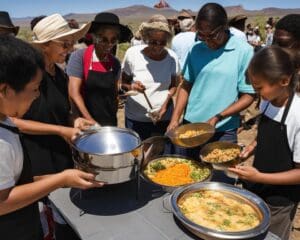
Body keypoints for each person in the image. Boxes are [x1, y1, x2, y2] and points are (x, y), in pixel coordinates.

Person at [0, 35, 103, 240]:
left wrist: (58, 178)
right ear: (4, 90)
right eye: (35, 89)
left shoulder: (6, 122)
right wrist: (60, 179)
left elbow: (12, 183)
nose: (37, 96)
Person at [168, 3, 255, 162]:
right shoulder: (196, 49)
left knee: (220, 181)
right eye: (202, 35)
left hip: (223, 131)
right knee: (191, 175)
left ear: (224, 27)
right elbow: (186, 85)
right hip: (192, 127)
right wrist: (175, 119)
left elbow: (248, 95)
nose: (207, 41)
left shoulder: (244, 51)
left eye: (212, 35)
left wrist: (218, 117)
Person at [229, 46, 300, 240]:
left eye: (259, 88)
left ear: (284, 81)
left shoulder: (297, 115)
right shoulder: (268, 100)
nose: (256, 93)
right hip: (258, 186)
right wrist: (251, 148)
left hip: (280, 200)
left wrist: (259, 176)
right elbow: (266, 134)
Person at [67, 12, 133, 126]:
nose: (109, 45)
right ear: (94, 37)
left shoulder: (115, 63)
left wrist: (129, 88)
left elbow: (115, 90)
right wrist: (90, 121)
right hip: (85, 122)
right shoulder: (79, 57)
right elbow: (73, 92)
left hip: (109, 119)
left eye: (113, 40)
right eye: (103, 39)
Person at [121, 21, 180, 141]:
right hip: (136, 118)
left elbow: (174, 86)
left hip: (164, 117)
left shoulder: (172, 57)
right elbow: (123, 83)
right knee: (138, 155)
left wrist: (164, 107)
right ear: (146, 39)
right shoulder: (133, 54)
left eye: (162, 43)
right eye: (153, 42)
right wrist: (132, 86)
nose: (158, 46)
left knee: (162, 155)